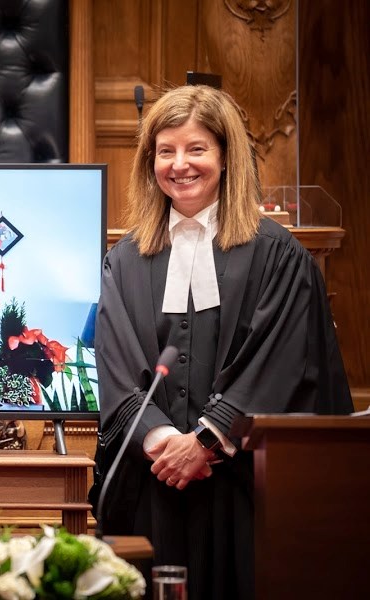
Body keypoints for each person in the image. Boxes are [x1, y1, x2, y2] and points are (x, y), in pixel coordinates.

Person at [90, 85, 352, 600]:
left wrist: (207, 441)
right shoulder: (124, 260)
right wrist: (163, 442)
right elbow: (116, 362)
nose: (180, 165)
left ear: (226, 156)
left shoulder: (277, 254)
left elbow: (281, 361)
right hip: (156, 482)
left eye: (196, 149)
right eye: (166, 151)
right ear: (150, 162)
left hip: (246, 487)